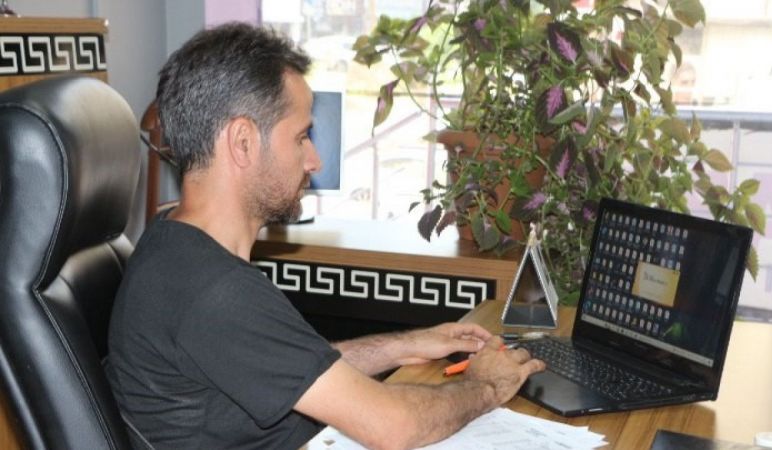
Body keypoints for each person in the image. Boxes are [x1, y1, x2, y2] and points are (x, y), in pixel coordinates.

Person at [105, 22, 545, 450]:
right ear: (242, 142)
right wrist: (487, 385)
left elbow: (293, 368)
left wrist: (405, 345)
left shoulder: (173, 244)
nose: (314, 160)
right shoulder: (214, 292)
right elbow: (393, 428)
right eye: (301, 137)